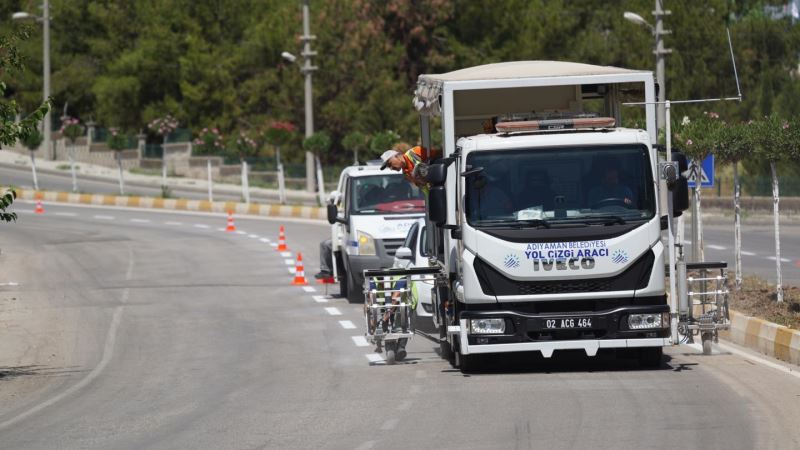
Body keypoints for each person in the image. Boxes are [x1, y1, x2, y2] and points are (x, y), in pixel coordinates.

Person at [367, 275, 416, 359]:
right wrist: (371, 320)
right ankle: (390, 347)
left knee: (404, 324)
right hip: (386, 302)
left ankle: (401, 348)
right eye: (382, 286)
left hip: (407, 301)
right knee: (385, 323)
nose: (384, 288)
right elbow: (369, 303)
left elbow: (395, 299)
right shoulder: (373, 282)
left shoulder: (400, 280)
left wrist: (383, 319)